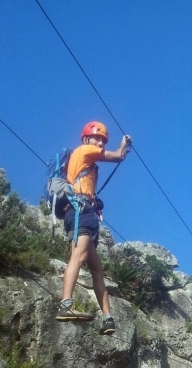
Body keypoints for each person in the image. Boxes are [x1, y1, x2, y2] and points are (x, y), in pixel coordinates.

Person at [55, 121, 132, 334]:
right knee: (78, 256)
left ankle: (107, 318)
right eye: (97, 138)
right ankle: (65, 304)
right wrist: (123, 144)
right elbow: (118, 156)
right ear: (86, 139)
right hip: (81, 211)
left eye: (102, 140)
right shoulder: (85, 150)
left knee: (97, 268)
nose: (100, 143)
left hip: (81, 210)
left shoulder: (82, 159)